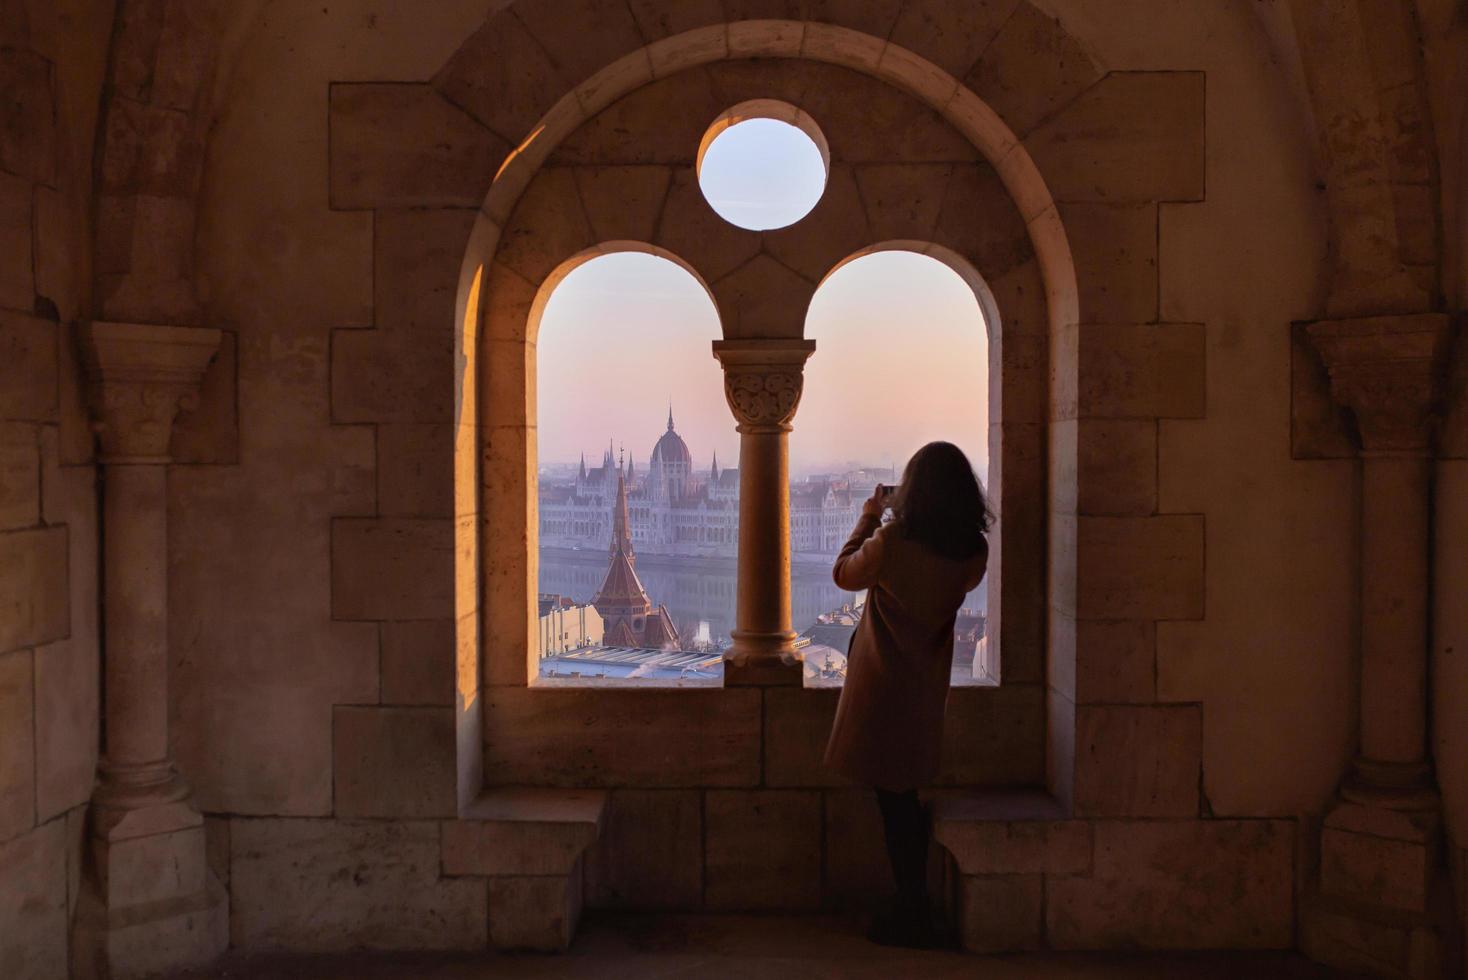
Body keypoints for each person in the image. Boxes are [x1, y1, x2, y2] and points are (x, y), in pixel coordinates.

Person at [824, 441, 992, 948]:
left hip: (881, 688)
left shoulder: (894, 542)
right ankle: (913, 901)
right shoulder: (972, 554)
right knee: (903, 795)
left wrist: (871, 516)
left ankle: (911, 907)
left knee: (894, 803)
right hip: (924, 689)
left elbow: (843, 572)